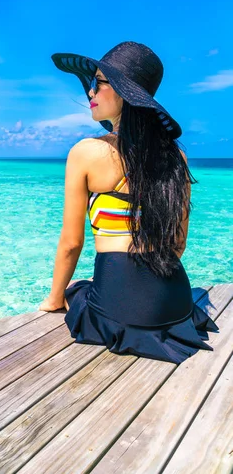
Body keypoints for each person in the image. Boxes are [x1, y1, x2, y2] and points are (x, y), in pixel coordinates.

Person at [38, 41, 219, 365]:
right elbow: (177, 243)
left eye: (98, 83)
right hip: (175, 301)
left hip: (122, 308)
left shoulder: (85, 152)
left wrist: (54, 300)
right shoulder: (176, 156)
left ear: (122, 92)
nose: (90, 92)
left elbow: (70, 243)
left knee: (78, 292)